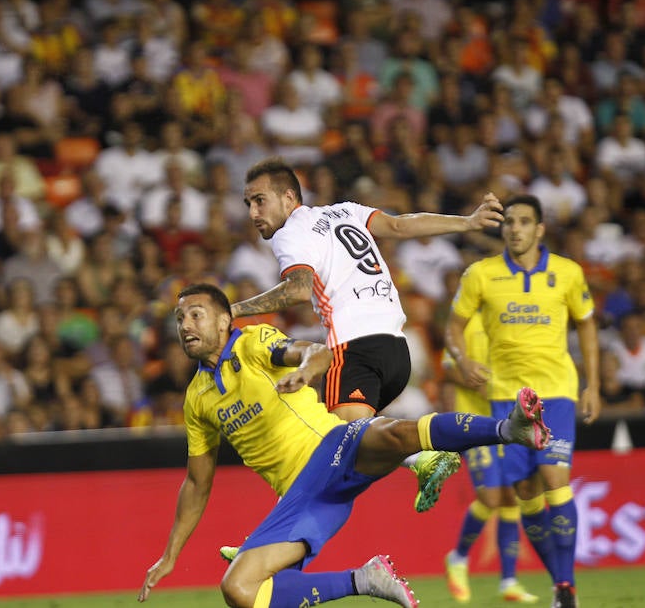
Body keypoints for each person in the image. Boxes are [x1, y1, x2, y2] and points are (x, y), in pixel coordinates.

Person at [138, 283, 551, 608]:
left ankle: (506, 428)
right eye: (179, 318)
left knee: (392, 433)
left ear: (226, 320)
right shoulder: (197, 398)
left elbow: (311, 350)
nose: (186, 325)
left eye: (196, 314)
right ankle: (365, 578)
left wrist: (305, 370)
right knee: (241, 590)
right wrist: (170, 554)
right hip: (302, 498)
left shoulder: (251, 343)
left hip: (329, 448)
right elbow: (196, 483)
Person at [230, 157, 504, 512]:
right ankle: (271, 539)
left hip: (354, 348)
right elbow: (400, 225)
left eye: (259, 200)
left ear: (287, 198)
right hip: (396, 351)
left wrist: (233, 310)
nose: (253, 212)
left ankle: (429, 454)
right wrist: (466, 222)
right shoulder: (345, 212)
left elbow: (298, 290)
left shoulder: (289, 234)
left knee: (334, 446)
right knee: (346, 454)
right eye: (248, 204)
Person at [444, 194, 601, 608]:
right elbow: (453, 328)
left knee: (554, 479)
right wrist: (462, 359)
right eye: (509, 221)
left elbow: (586, 325)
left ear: (540, 229)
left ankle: (566, 589)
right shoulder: (480, 275)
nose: (515, 228)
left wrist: (593, 384)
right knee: (526, 495)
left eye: (524, 221)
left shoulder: (568, 273)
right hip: (505, 398)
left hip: (557, 391)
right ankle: (559, 585)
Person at [440, 313, 538, 604]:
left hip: (509, 420)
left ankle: (509, 581)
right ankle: (457, 558)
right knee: (492, 497)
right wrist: (476, 382)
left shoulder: (516, 323)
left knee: (510, 497)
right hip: (474, 422)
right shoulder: (466, 325)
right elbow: (447, 369)